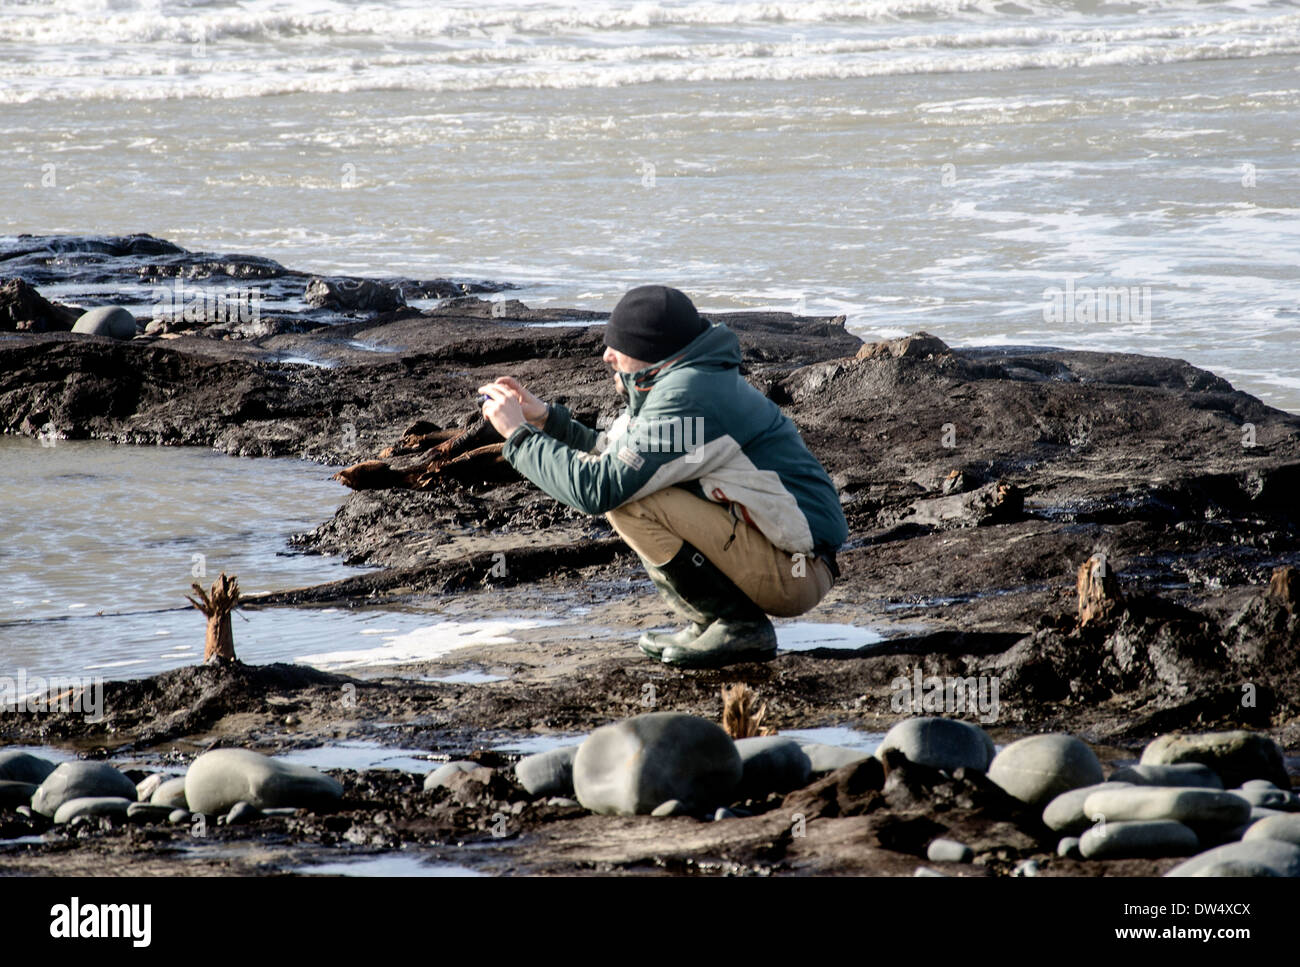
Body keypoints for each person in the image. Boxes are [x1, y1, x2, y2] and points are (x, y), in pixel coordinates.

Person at [477, 284, 847, 668]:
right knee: (633, 487)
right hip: (791, 558)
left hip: (799, 570)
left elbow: (598, 488)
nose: (606, 356)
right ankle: (714, 621)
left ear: (651, 352)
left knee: (628, 502)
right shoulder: (687, 380)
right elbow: (617, 454)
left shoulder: (687, 397)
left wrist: (518, 436)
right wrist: (545, 420)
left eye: (619, 346)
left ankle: (737, 625)